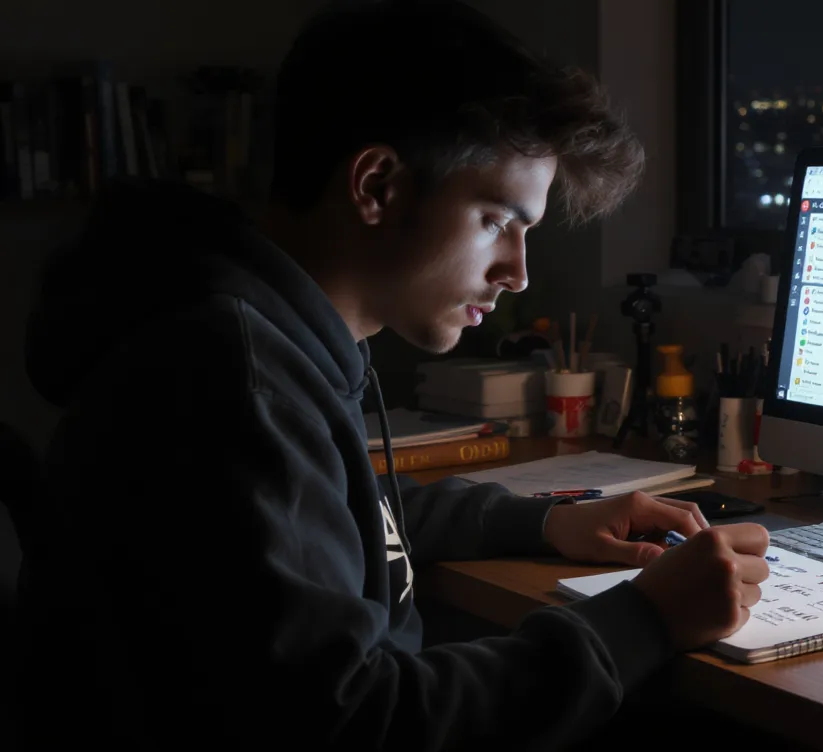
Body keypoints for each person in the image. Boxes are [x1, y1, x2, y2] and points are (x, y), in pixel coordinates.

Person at [16, 2, 770, 749]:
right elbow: (356, 725)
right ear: (377, 187)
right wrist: (643, 620)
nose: (517, 273)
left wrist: (545, 522)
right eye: (496, 222)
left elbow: (340, 508)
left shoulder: (255, 333)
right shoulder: (236, 385)